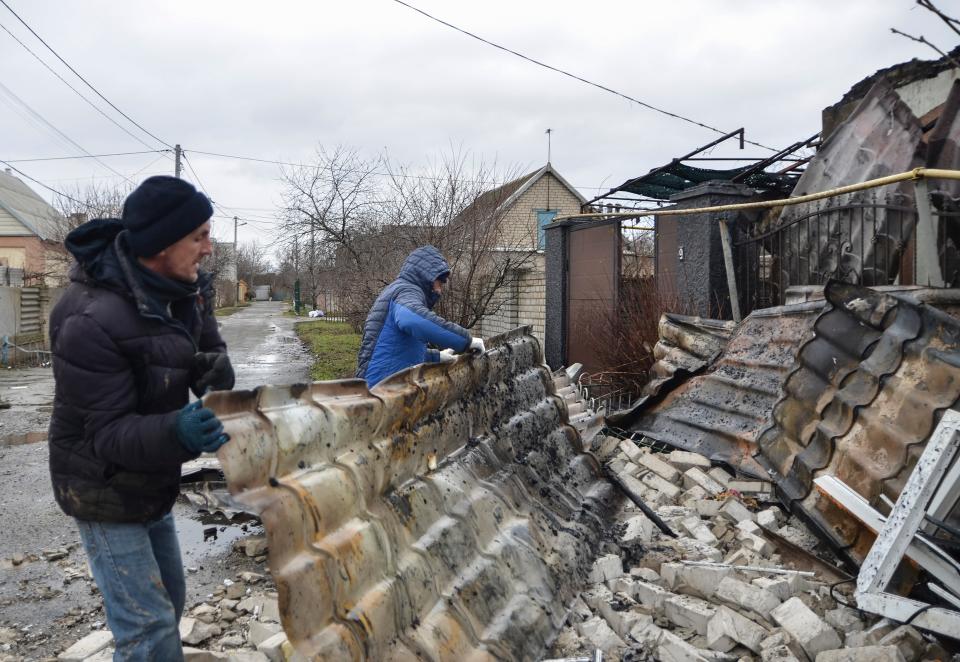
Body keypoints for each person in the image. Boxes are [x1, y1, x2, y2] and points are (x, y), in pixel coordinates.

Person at [48, 176, 236, 661]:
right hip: (101, 486)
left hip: (151, 477)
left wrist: (212, 369)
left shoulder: (183, 288)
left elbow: (202, 344)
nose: (209, 249)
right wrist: (178, 430)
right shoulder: (88, 319)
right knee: (147, 629)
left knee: (168, 607)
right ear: (161, 245)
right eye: (199, 237)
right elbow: (108, 434)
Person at [356, 245, 484, 387]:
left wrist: (436, 357)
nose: (439, 290)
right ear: (428, 276)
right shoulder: (406, 291)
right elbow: (412, 321)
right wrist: (466, 341)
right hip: (380, 390)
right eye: (440, 283)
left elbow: (397, 348)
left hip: (382, 385)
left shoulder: (399, 290)